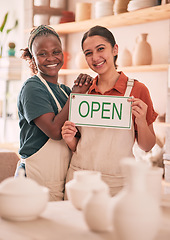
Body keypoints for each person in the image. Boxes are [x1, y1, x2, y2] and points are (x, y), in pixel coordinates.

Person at [61, 25, 158, 197]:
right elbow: (81, 145)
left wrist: (141, 121)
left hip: (118, 184)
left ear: (114, 49)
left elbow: (147, 146)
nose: (95, 57)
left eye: (100, 49)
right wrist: (70, 140)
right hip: (80, 179)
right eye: (88, 53)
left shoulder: (138, 90)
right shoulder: (83, 91)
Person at [15, 25, 93, 201]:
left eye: (56, 51)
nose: (51, 58)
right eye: (42, 53)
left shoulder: (65, 91)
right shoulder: (32, 88)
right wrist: (76, 97)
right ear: (33, 58)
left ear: (63, 53)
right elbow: (54, 131)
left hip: (59, 180)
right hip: (34, 181)